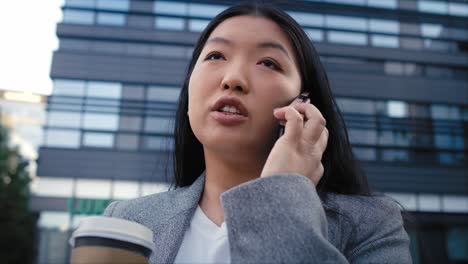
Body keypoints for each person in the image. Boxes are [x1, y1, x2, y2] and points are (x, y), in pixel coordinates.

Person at [103, 2, 412, 263]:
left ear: (301, 105)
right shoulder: (128, 219)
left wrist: (282, 196)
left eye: (268, 62)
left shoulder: (370, 225)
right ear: (188, 98)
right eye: (215, 56)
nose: (233, 79)